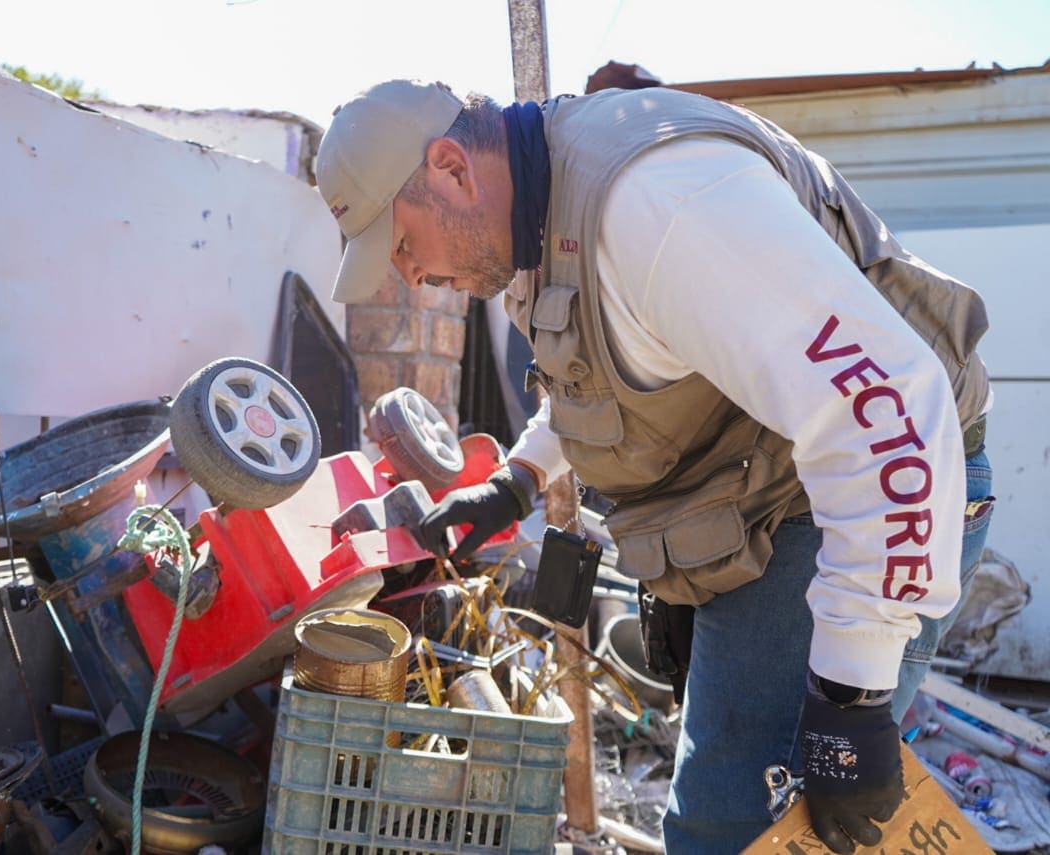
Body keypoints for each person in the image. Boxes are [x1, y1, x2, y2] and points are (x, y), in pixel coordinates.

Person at [315, 79, 995, 854]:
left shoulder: (659, 206)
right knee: (721, 812)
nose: (407, 276)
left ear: (451, 169)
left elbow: (885, 416)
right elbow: (593, 367)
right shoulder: (528, 229)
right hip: (767, 493)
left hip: (855, 498)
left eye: (402, 243)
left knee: (738, 827)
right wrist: (516, 482)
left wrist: (854, 690)